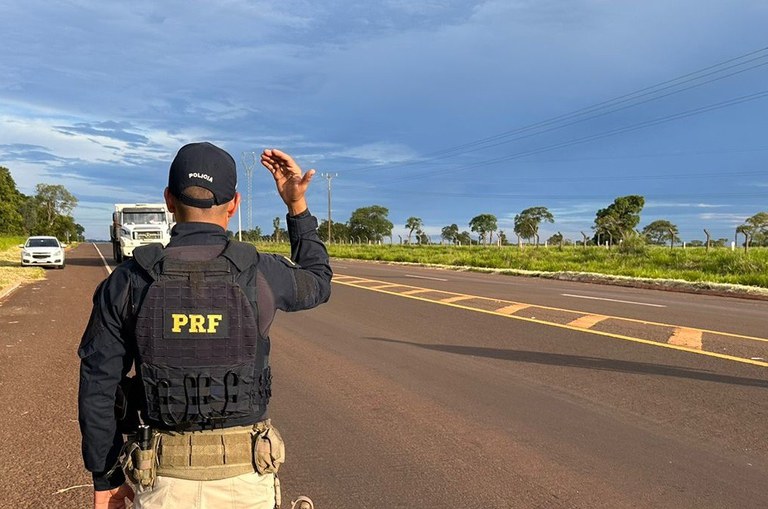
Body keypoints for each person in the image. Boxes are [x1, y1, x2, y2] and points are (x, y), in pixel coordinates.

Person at [78, 142, 332, 509]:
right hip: (246, 483)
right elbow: (318, 280)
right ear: (234, 204)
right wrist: (296, 205)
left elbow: (99, 387)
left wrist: (107, 478)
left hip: (162, 483)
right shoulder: (261, 272)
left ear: (168, 200)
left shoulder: (128, 281)